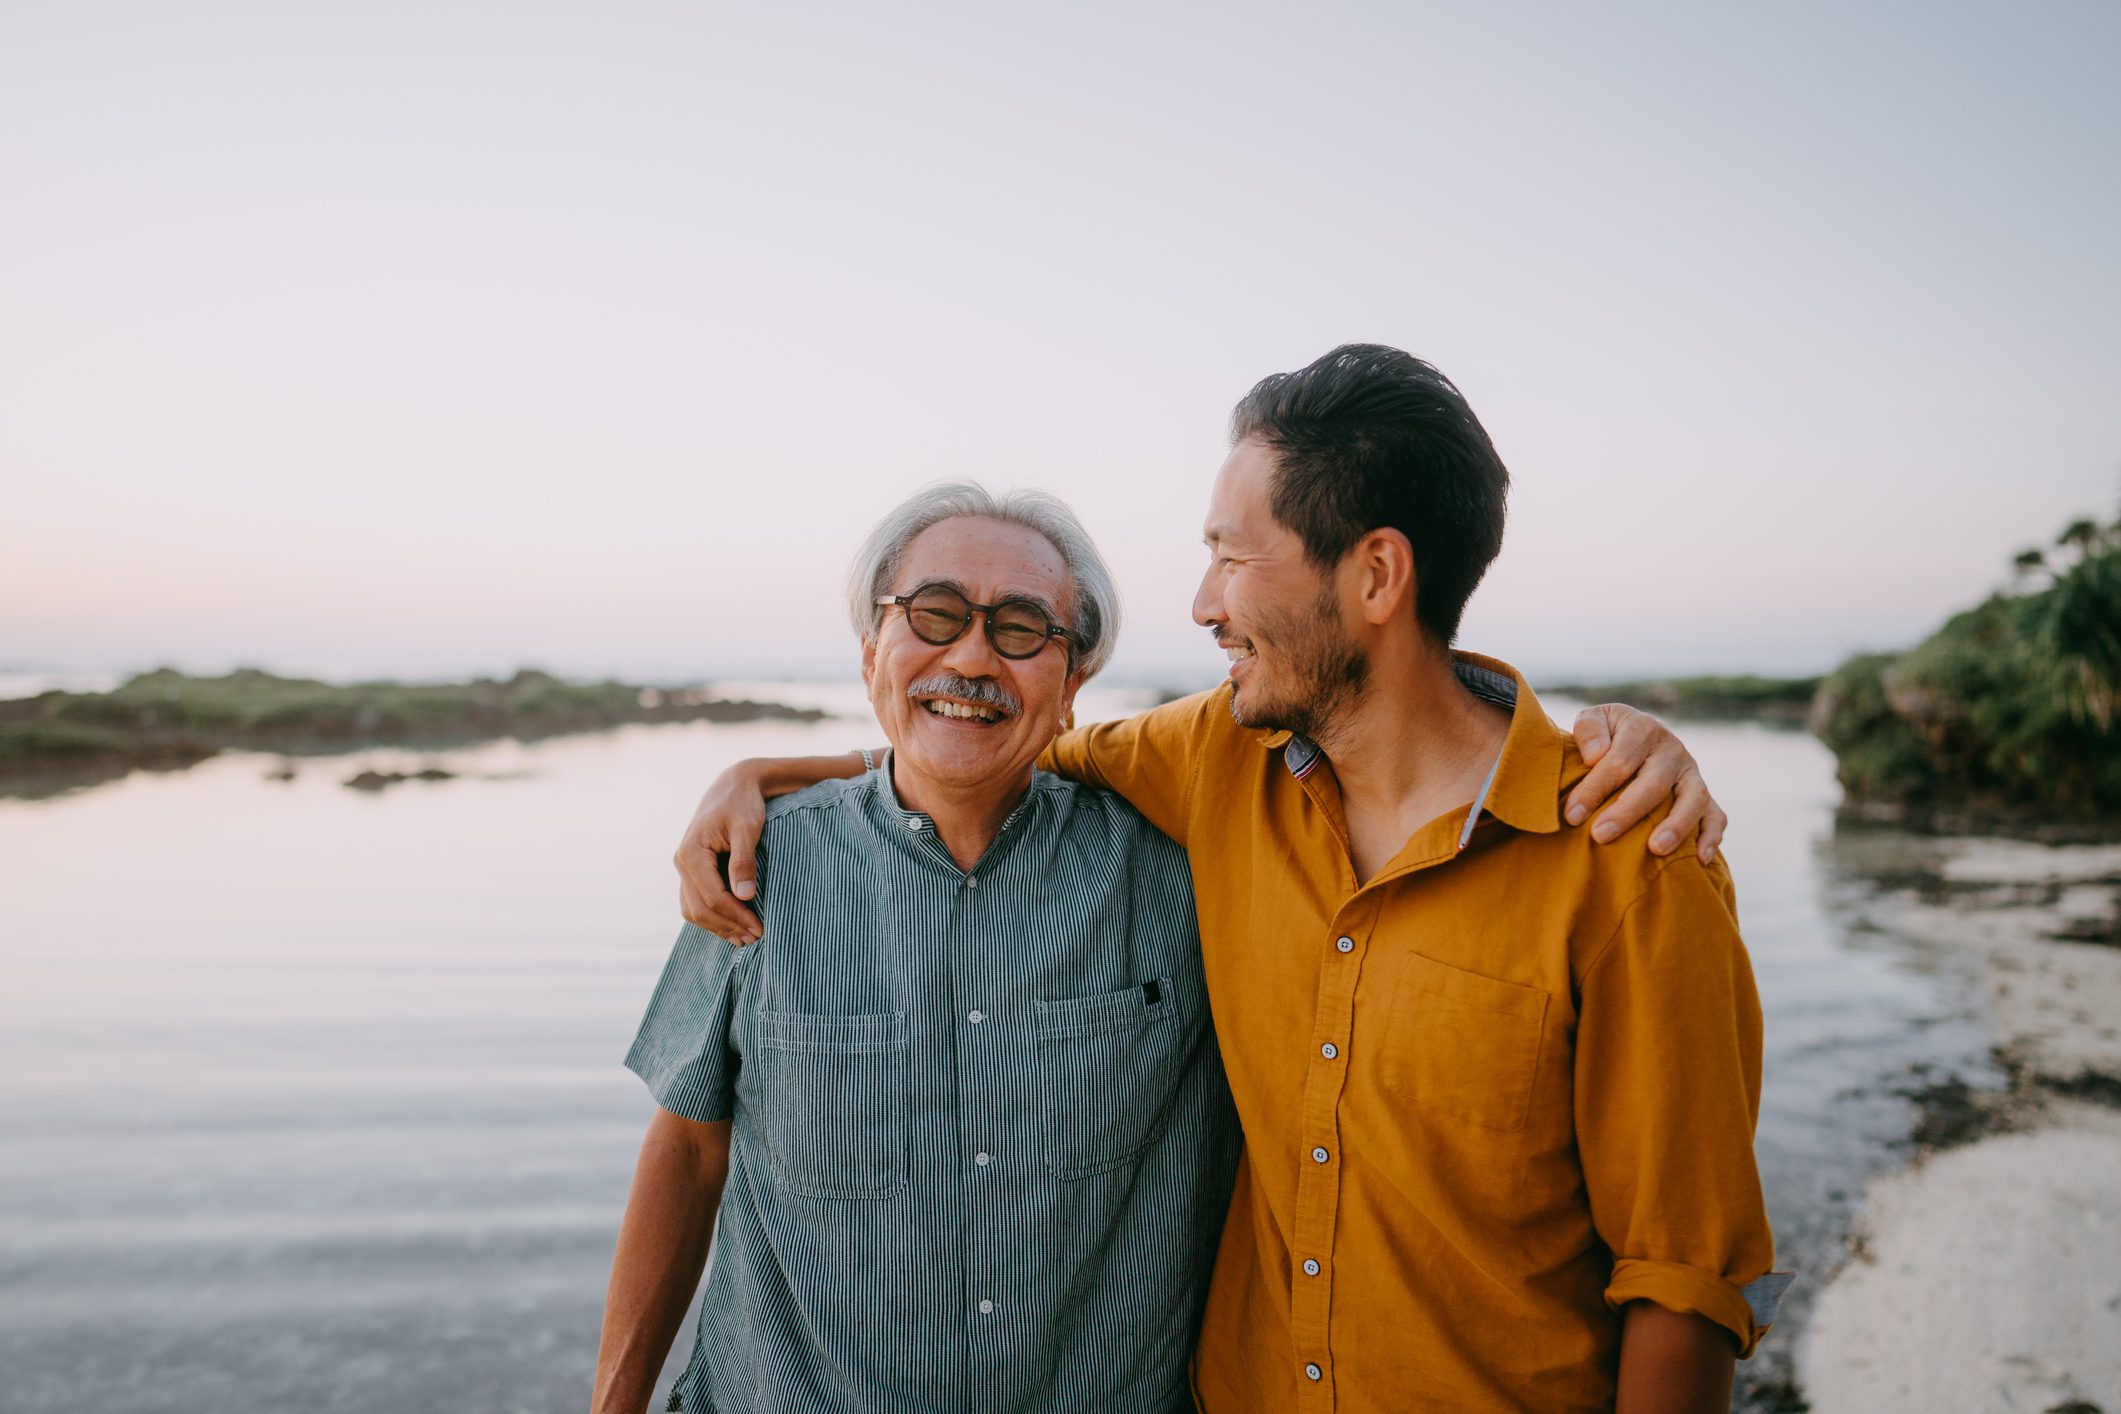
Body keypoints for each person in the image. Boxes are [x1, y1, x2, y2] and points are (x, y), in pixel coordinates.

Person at [678, 346, 1783, 1412]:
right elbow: (985, 733)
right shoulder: (1215, 757)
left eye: (1233, 555)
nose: (1204, 602)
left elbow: (1684, 1283)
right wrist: (770, 774)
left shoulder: (1630, 859)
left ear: (1377, 573)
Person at [593, 487, 1240, 1414]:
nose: (972, 655)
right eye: (934, 614)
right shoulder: (752, 866)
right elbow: (690, 1152)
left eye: (1021, 629)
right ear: (870, 656)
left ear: (1072, 686)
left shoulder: (1181, 879)